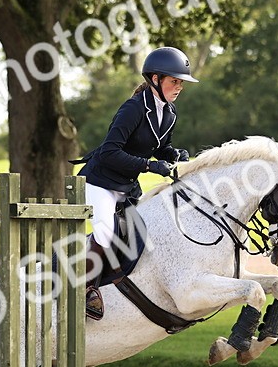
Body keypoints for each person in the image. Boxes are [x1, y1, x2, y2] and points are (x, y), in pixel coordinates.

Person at [75, 46, 198, 320]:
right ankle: (84, 288)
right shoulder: (133, 108)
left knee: (142, 233)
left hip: (126, 187)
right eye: (174, 81)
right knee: (106, 233)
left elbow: (160, 147)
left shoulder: (169, 112)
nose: (179, 87)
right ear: (155, 79)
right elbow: (109, 152)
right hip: (100, 182)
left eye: (181, 82)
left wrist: (173, 155)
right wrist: (149, 166)